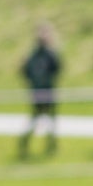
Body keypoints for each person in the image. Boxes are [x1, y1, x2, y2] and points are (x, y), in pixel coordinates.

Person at [18, 25, 62, 157]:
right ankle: (26, 141)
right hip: (39, 91)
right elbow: (25, 71)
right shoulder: (34, 55)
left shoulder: (48, 54)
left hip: (47, 91)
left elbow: (57, 69)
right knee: (37, 118)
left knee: (50, 119)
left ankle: (51, 143)